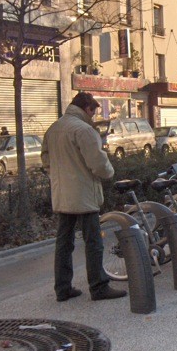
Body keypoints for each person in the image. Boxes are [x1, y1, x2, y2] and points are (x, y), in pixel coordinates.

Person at [42, 92, 127, 302]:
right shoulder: (84, 130)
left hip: (62, 194)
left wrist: (58, 176)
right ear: (87, 108)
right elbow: (98, 163)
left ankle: (62, 288)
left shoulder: (54, 128)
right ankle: (98, 286)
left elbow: (45, 159)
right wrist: (109, 173)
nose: (93, 115)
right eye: (94, 111)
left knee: (64, 242)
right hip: (84, 193)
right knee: (93, 241)